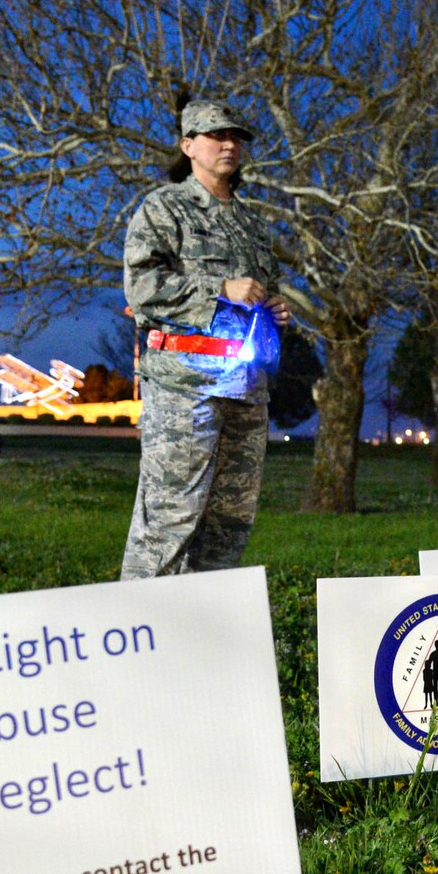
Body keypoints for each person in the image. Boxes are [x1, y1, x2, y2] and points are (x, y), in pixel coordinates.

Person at [120, 98, 290, 577]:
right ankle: (142, 633)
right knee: (169, 522)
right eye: (216, 136)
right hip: (184, 386)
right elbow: (143, 289)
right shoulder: (164, 208)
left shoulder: (251, 224)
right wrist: (219, 290)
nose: (229, 144)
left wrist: (275, 309)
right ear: (188, 145)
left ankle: (205, 634)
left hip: (246, 387)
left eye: (235, 137)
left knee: (229, 523)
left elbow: (262, 291)